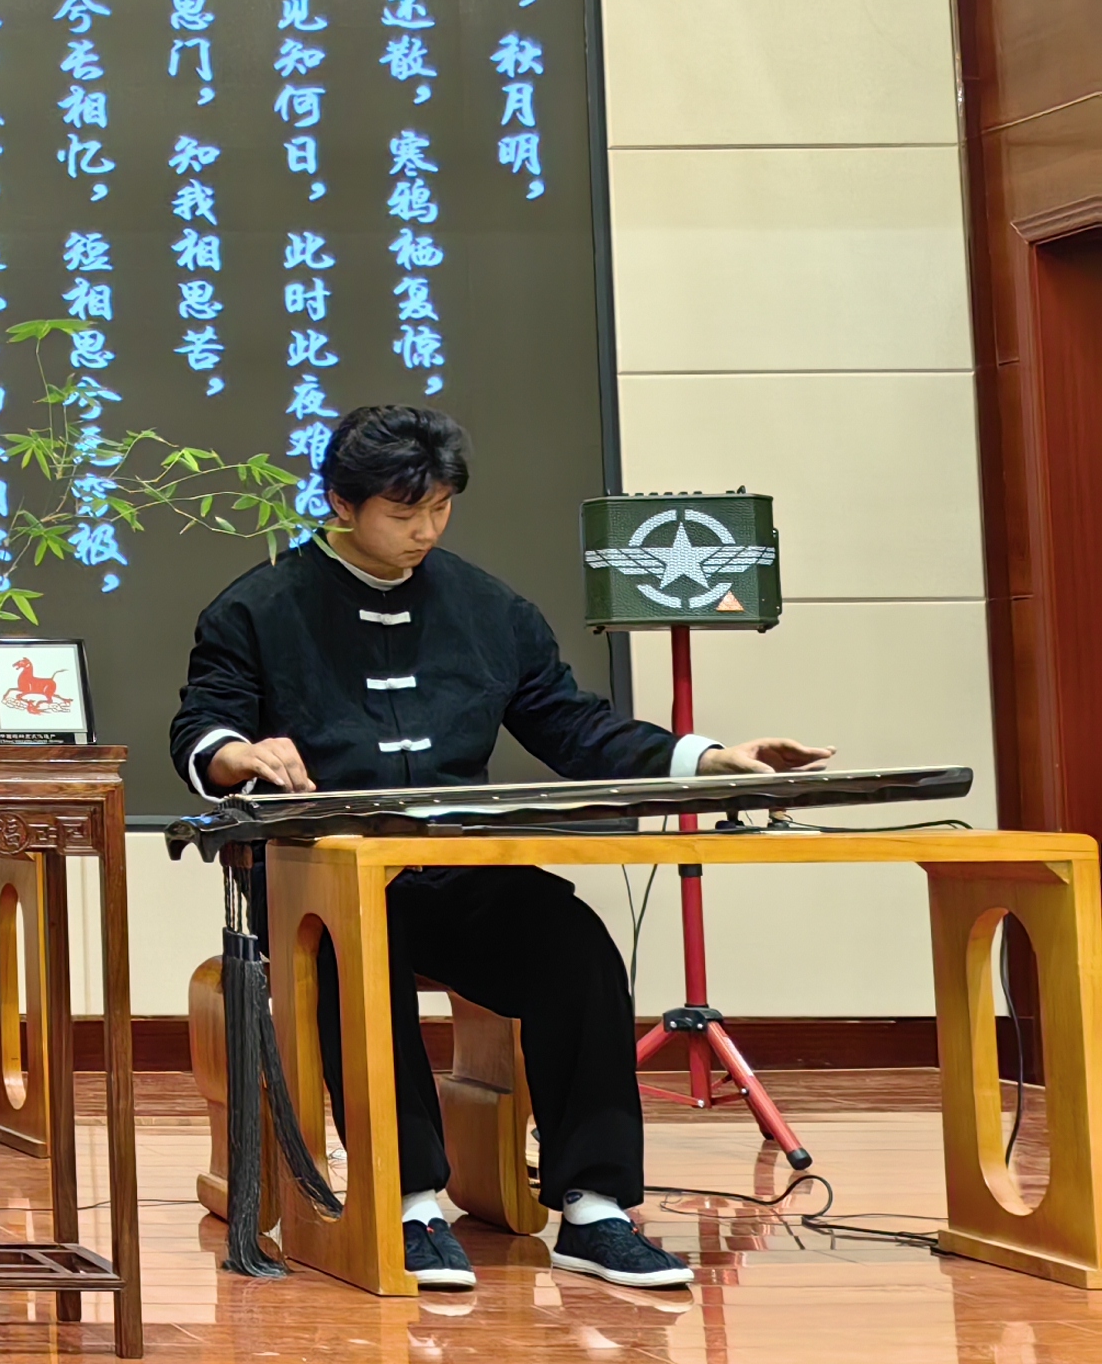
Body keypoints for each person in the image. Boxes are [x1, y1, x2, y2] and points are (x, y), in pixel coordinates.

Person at [172, 404, 834, 1293]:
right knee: (357, 952)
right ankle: (407, 1201)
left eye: (440, 508)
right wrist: (236, 753)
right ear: (341, 503)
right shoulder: (257, 607)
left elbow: (573, 726)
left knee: (576, 951)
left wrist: (710, 759)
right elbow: (203, 723)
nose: (425, 531)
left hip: (461, 874)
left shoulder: (489, 608)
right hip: (321, 883)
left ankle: (595, 1210)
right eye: (403, 513)